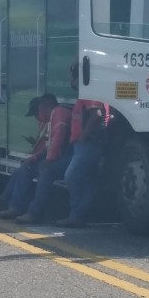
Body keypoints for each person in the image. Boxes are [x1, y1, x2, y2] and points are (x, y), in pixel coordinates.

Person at [56, 60, 111, 228]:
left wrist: (83, 136)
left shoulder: (89, 93)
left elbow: (96, 115)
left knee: (71, 177)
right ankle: (79, 214)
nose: (71, 81)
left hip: (87, 145)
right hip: (88, 144)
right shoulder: (93, 92)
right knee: (87, 181)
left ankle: (77, 213)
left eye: (73, 77)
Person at [0, 96, 50, 218]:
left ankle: (16, 207)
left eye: (36, 114)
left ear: (42, 109)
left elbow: (51, 147)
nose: (36, 118)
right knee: (18, 172)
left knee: (26, 170)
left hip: (52, 158)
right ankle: (3, 202)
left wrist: (34, 158)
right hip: (46, 157)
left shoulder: (52, 122)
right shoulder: (45, 124)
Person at [13, 94, 73, 224]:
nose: (38, 116)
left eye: (39, 111)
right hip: (61, 157)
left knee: (46, 171)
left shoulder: (59, 113)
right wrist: (35, 158)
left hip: (70, 157)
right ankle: (17, 208)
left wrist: (49, 160)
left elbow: (59, 137)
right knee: (26, 168)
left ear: (46, 106)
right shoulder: (51, 119)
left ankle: (34, 212)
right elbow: (49, 146)